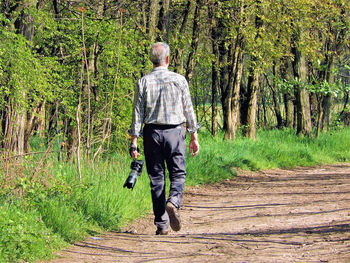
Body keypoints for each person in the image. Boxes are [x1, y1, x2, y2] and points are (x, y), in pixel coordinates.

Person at [129, 42, 200, 235]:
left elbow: (137, 113)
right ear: (167, 59)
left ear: (152, 60)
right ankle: (173, 201)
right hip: (175, 132)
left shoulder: (143, 82)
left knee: (156, 178)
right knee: (178, 172)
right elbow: (188, 108)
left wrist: (134, 140)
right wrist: (194, 135)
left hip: (152, 133)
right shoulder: (179, 80)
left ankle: (161, 224)